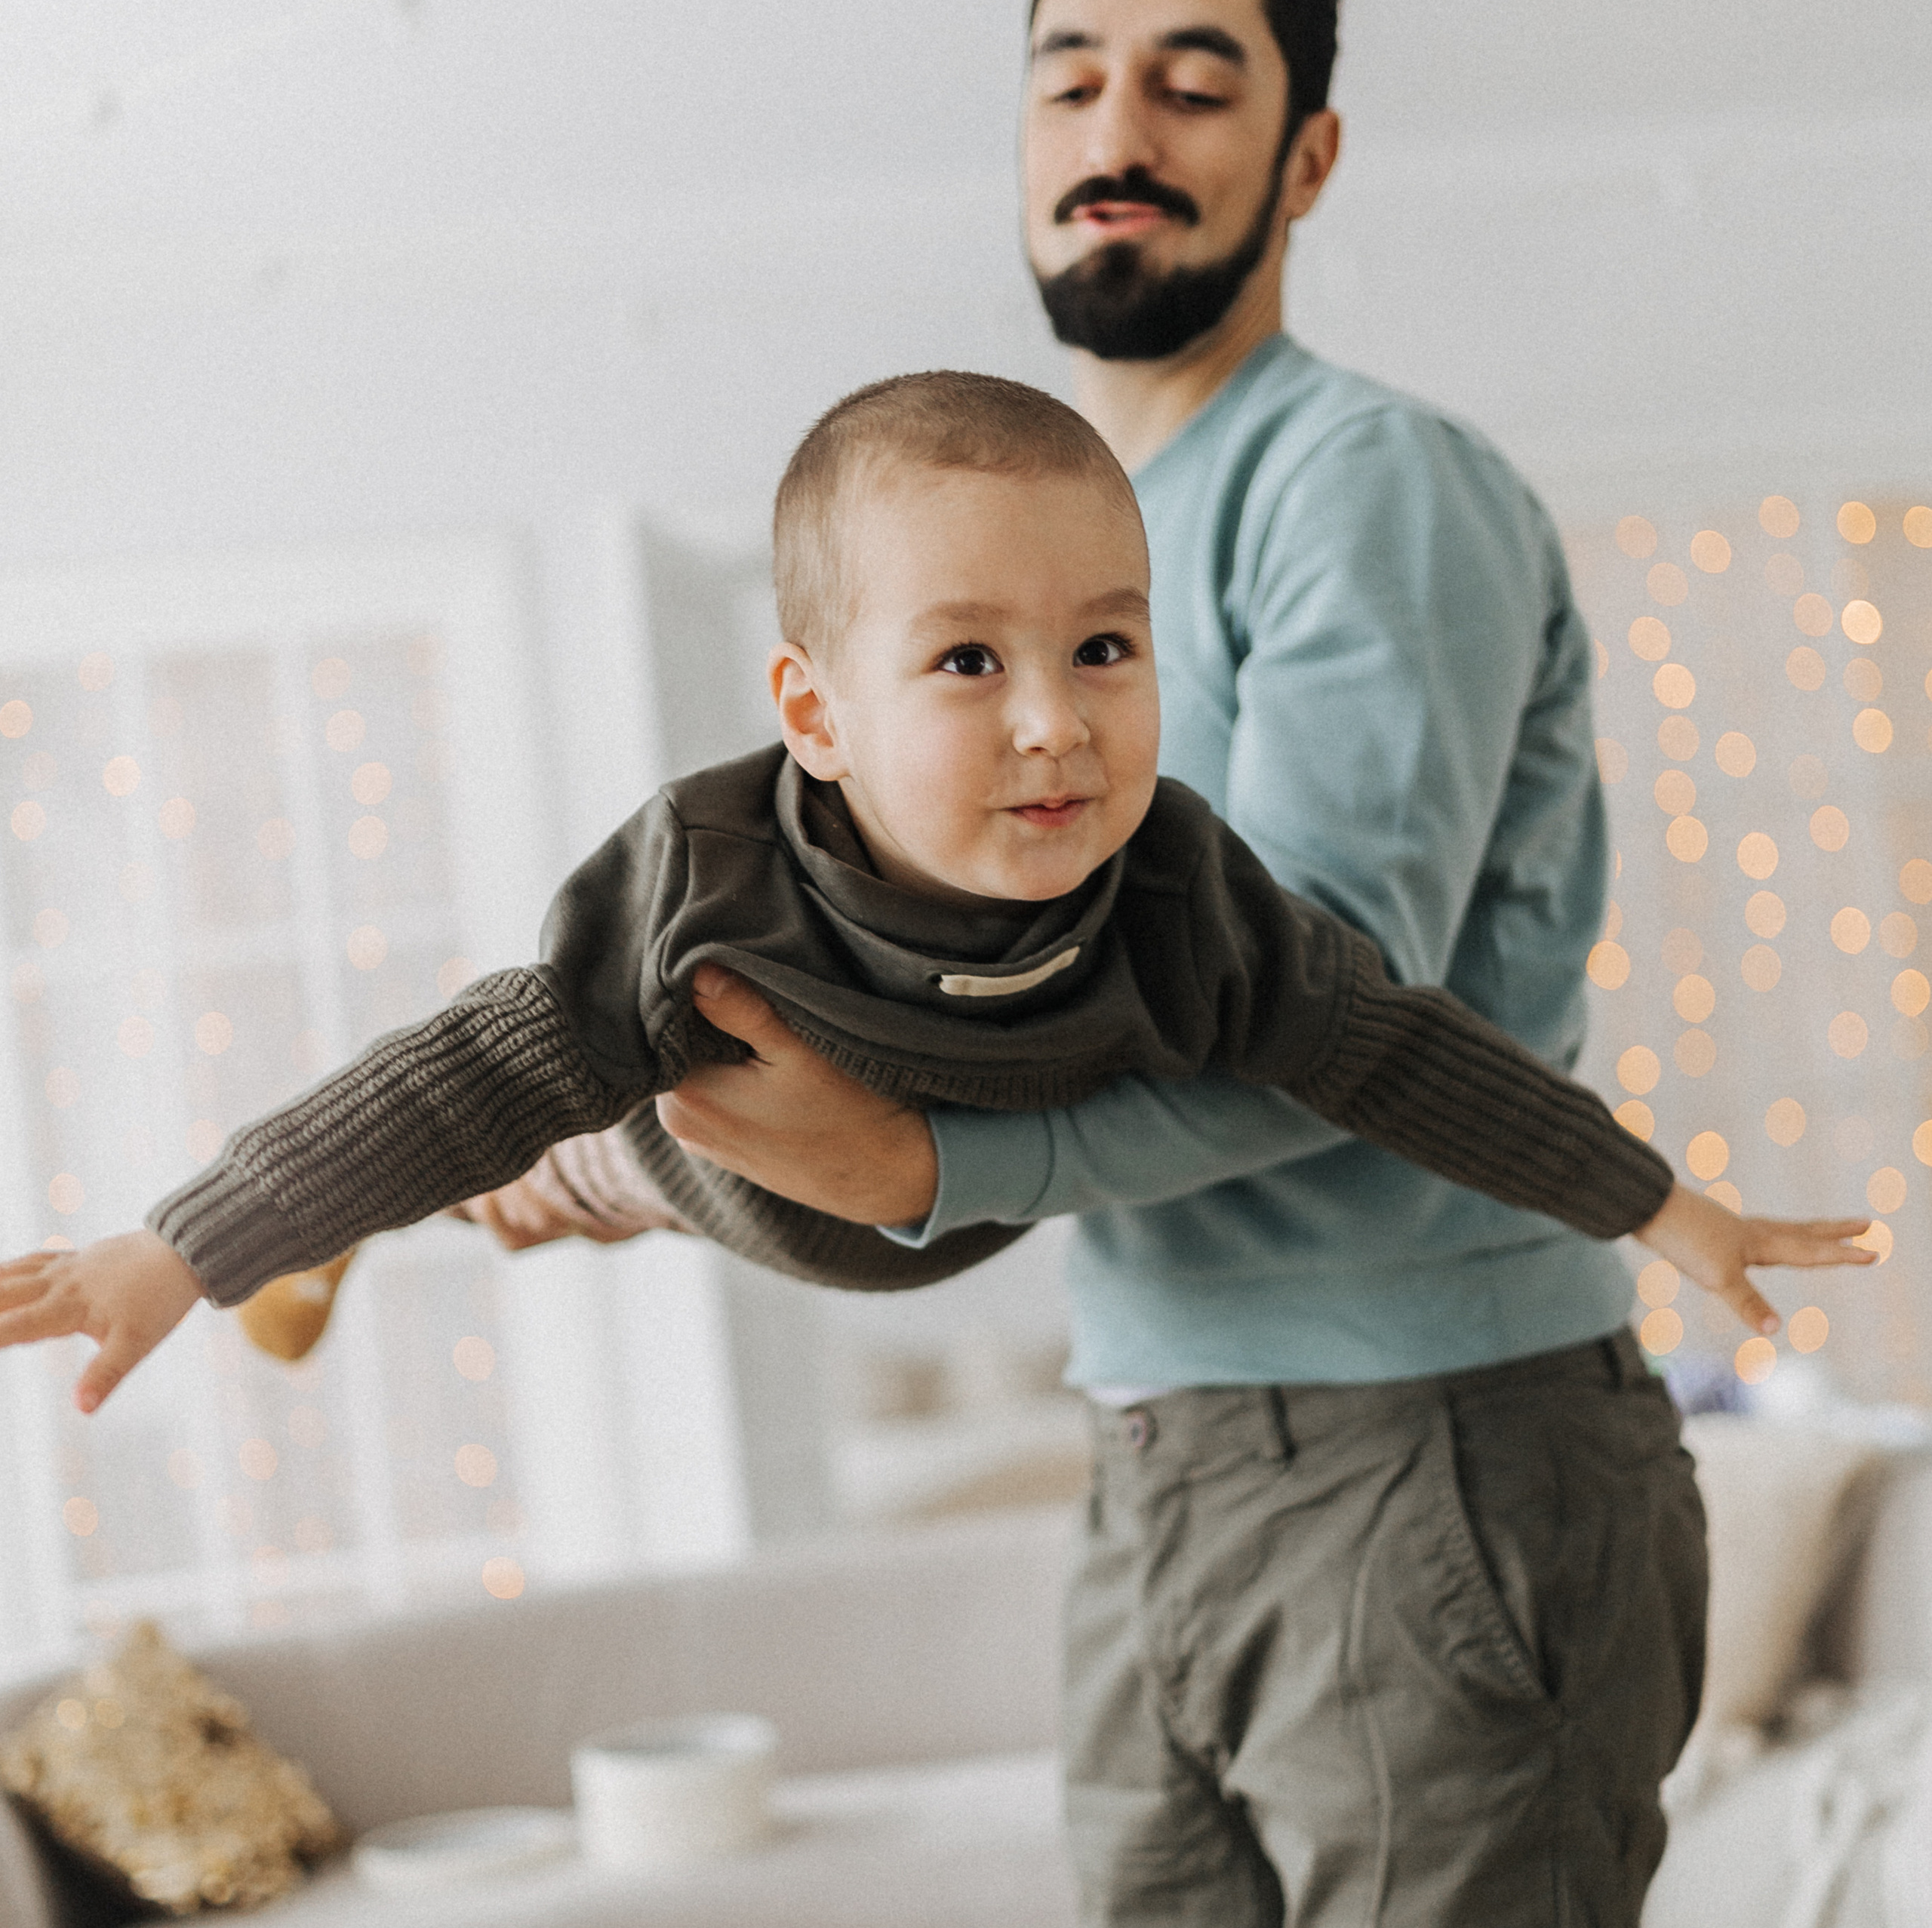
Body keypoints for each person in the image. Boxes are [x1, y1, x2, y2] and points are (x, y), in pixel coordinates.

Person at [486, 0, 1793, 1928]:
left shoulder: (1365, 490)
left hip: (1437, 1460)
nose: (1118, 130)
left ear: (1307, 152)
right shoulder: (1057, 543)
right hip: (1170, 1466)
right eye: (1072, 74)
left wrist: (924, 1172)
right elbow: (975, 1014)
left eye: (1195, 82)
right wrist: (672, 1158)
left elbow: (1299, 1007)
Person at [0, 370, 1857, 1420]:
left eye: (1105, 650)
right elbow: (449, 1067)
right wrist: (178, 1245)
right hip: (724, 1132)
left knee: (607, 1146)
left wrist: (1656, 1206)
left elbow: (1401, 1057)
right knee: (563, 1137)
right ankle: (334, 1240)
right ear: (814, 712)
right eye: (965, 664)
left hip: (945, 1207)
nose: (1054, 728)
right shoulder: (703, 883)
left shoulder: (1186, 895)